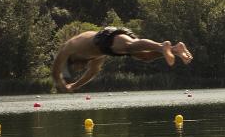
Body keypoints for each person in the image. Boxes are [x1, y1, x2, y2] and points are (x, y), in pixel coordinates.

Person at [51, 25, 193, 92]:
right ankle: (175, 49)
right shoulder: (95, 57)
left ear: (73, 60)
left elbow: (56, 68)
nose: (79, 69)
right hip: (107, 46)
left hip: (105, 37)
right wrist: (74, 86)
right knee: (144, 56)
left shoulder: (71, 46)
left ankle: (162, 46)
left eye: (76, 67)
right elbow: (92, 73)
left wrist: (60, 82)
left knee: (131, 46)